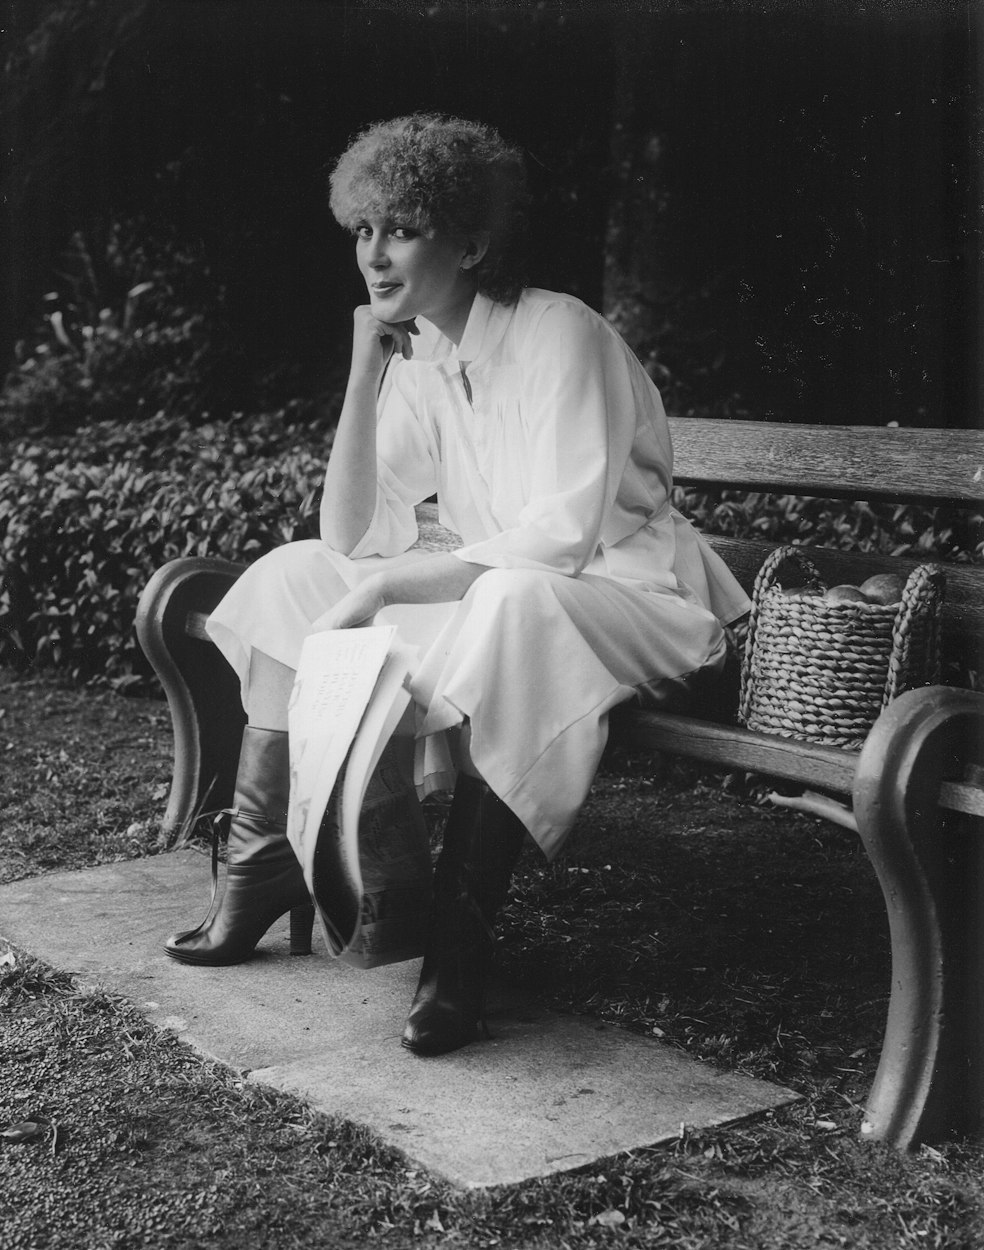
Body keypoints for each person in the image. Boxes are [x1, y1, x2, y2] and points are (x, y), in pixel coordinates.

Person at [163, 114, 750, 1056]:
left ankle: (456, 952)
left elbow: (560, 540)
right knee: (291, 576)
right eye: (363, 230)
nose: (375, 254)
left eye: (402, 228)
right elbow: (351, 536)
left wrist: (388, 591)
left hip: (635, 604)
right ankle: (263, 865)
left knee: (511, 605)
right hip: (505, 594)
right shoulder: (422, 358)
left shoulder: (561, 333)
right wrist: (364, 373)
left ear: (472, 241)